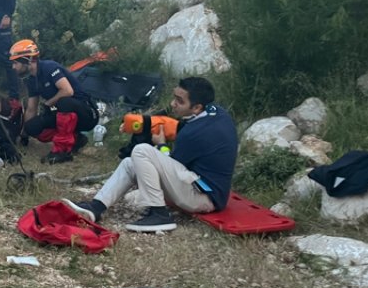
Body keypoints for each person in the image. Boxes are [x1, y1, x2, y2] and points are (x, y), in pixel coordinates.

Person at [63, 77, 238, 233]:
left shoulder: (194, 133)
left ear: (197, 107)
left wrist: (161, 144)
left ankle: (159, 214)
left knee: (142, 151)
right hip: (206, 187)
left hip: (203, 198)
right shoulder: (216, 113)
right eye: (174, 97)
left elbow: (173, 164)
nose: (172, 104)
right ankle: (96, 207)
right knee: (129, 163)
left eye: (179, 101)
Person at [11, 39, 98, 164]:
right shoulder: (31, 79)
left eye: (15, 63)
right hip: (64, 112)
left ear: (26, 60)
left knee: (64, 102)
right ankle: (76, 139)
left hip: (86, 113)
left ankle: (62, 151)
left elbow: (68, 91)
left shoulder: (49, 67)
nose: (13, 67)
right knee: (33, 126)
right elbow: (31, 109)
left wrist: (48, 103)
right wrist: (24, 133)